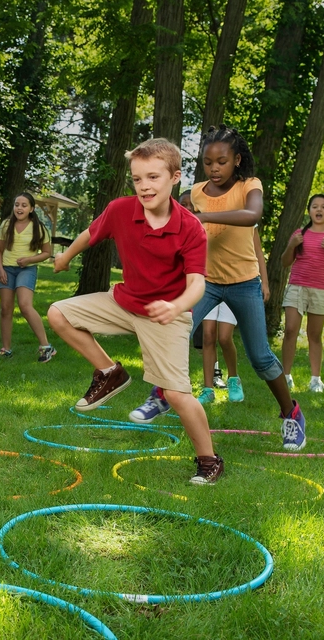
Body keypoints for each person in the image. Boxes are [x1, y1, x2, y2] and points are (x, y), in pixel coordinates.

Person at [49, 138, 223, 484]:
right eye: (138, 179)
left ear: (175, 178)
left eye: (153, 177)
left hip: (167, 313)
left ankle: (209, 460)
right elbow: (90, 233)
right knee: (59, 313)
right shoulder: (120, 210)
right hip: (124, 302)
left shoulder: (190, 228)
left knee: (175, 393)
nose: (144, 186)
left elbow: (197, 284)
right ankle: (109, 372)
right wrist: (66, 256)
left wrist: (175, 305)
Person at [130, 124, 307, 452]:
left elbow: (253, 214)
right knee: (175, 333)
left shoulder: (249, 185)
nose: (214, 168)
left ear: (237, 160)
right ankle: (159, 396)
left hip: (244, 283)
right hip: (206, 282)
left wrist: (205, 217)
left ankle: (292, 414)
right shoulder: (195, 193)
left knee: (261, 358)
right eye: (208, 162)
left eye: (222, 161)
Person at [281, 194, 324, 393]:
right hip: (297, 287)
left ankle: (315, 380)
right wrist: (292, 245)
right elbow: (285, 262)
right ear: (309, 211)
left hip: (321, 290)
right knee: (291, 330)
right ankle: (286, 376)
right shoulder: (299, 234)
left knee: (314, 335)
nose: (319, 210)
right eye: (315, 206)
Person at [197, 229, 270, 404]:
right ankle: (208, 389)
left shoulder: (246, 220)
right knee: (207, 335)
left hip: (237, 285)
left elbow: (258, 252)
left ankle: (233, 379)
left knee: (224, 337)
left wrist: (265, 283)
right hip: (210, 284)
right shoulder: (207, 216)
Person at [0, 192, 56, 362]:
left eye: (23, 205)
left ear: (31, 208)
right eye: (17, 205)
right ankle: (6, 349)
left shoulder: (39, 228)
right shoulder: (6, 224)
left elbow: (46, 253)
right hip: (7, 269)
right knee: (6, 308)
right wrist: (0, 269)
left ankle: (46, 346)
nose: (19, 208)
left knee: (25, 305)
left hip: (26, 269)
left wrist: (29, 259)